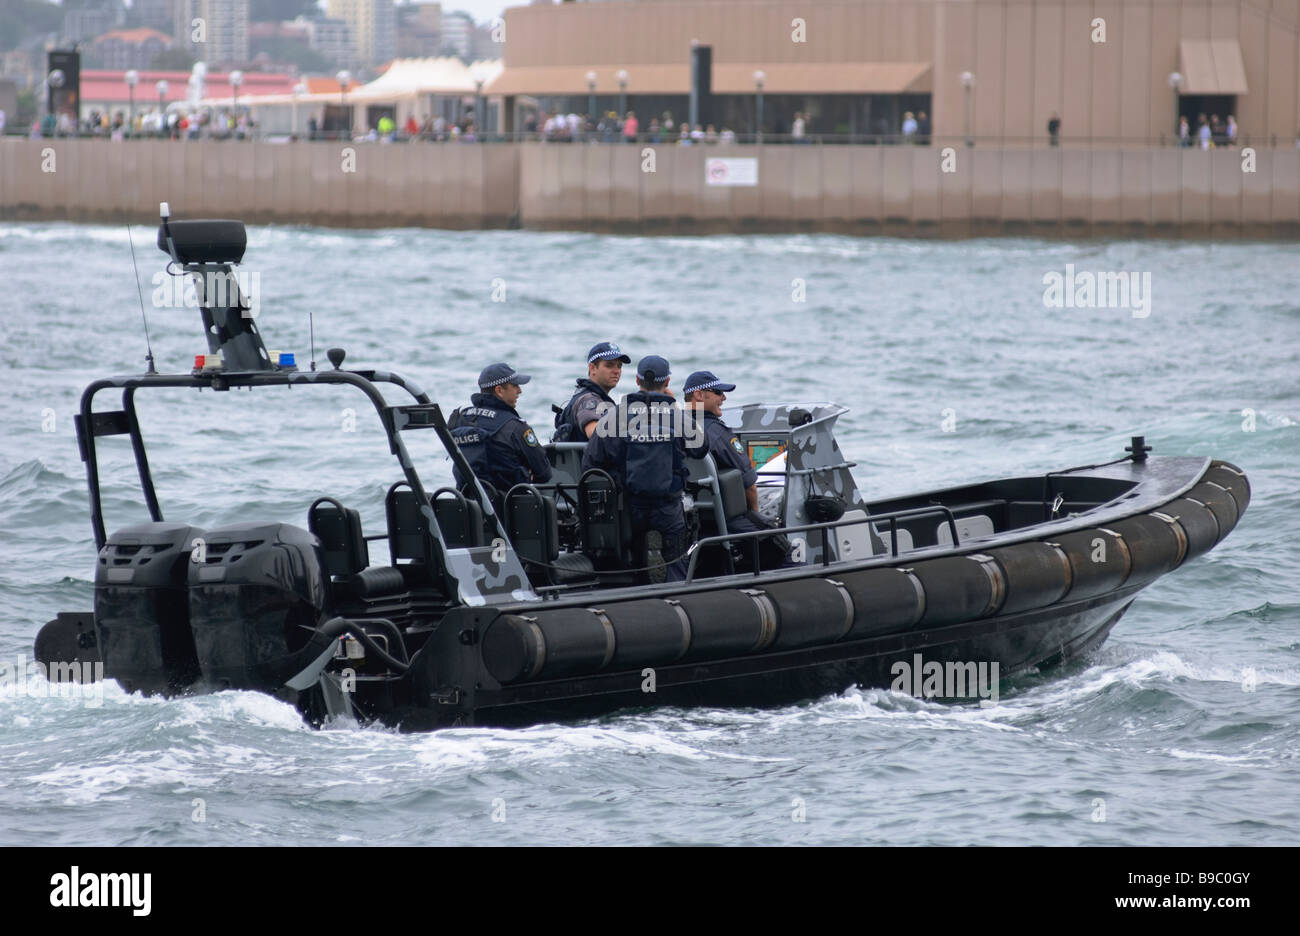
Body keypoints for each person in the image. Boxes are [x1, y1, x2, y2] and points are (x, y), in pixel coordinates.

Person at [582, 355, 706, 582]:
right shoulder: (676, 417)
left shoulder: (616, 415)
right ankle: (680, 601)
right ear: (667, 382)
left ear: (637, 381)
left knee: (633, 564)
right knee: (676, 562)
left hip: (630, 505)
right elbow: (701, 448)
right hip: (669, 506)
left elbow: (593, 458)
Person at [683, 370, 788, 569]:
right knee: (781, 547)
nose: (724, 398)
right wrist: (757, 520)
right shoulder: (718, 433)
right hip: (726, 518)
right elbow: (750, 486)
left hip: (690, 518)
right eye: (718, 393)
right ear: (698, 395)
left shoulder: (676, 427)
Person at [449, 363, 552, 496]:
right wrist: (526, 474)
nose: (519, 390)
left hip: (466, 507)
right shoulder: (515, 427)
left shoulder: (459, 420)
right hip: (508, 509)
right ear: (499, 390)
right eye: (515, 385)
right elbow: (544, 473)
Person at [553, 341, 630, 442]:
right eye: (609, 365)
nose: (616, 371)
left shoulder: (586, 395)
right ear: (592, 368)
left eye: (619, 366)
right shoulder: (589, 400)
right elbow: (595, 433)